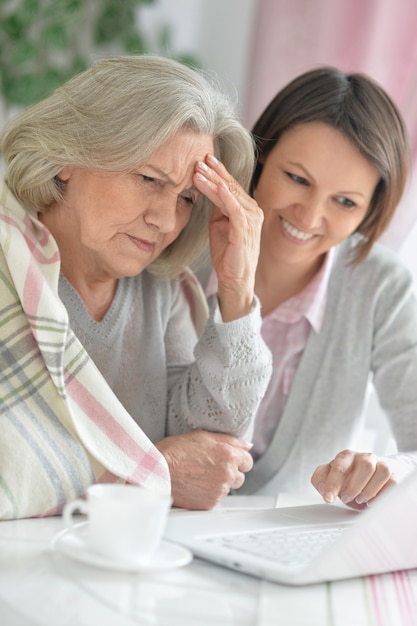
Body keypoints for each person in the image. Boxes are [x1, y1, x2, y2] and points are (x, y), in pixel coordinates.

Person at [0, 55, 273, 520]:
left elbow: (209, 455)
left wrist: (237, 288)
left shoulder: (160, 291)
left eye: (187, 198)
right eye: (148, 179)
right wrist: (152, 471)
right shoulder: (11, 266)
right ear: (69, 157)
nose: (166, 221)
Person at [208, 66, 417, 508]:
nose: (308, 216)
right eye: (298, 179)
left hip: (293, 546)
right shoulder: (179, 245)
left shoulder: (382, 287)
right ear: (261, 156)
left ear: (370, 211)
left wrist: (393, 470)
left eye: (345, 202)